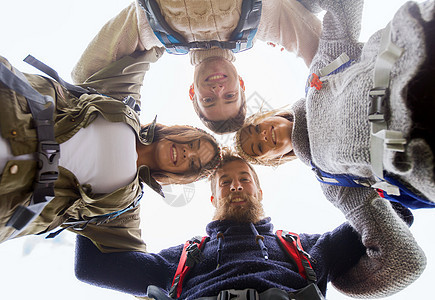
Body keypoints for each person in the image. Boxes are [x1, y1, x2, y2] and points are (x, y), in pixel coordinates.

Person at [74, 149, 426, 299]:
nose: (236, 186)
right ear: (214, 198)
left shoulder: (303, 247)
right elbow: (94, 265)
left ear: (259, 190)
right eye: (224, 183)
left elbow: (397, 214)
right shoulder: (182, 257)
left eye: (244, 178)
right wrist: (103, 182)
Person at [0, 49, 221, 252]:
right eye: (192, 144)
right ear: (181, 131)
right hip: (10, 107)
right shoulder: (122, 100)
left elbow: (140, 267)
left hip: (8, 198)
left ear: (181, 176)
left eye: (192, 163)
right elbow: (142, 41)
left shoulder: (125, 210)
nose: (186, 153)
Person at [235, 0, 435, 208]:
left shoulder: (319, 74)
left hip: (420, 53)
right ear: (274, 159)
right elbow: (372, 223)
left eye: (257, 128)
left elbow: (343, 7)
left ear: (268, 115)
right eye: (259, 146)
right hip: (421, 157)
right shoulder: (330, 180)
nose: (263, 135)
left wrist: (304, 4)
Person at [71, 0, 322, 134]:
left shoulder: (155, 33)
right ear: (242, 85)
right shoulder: (263, 20)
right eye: (230, 96)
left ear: (193, 92)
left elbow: (85, 73)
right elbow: (322, 52)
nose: (218, 89)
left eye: (209, 100)